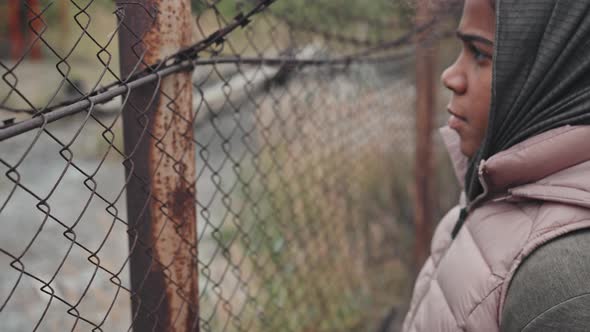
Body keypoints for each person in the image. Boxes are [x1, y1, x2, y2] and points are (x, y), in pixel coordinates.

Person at [402, 0, 590, 331]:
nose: (451, 77)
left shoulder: (558, 281)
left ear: (558, 71)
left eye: (479, 54)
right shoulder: (497, 186)